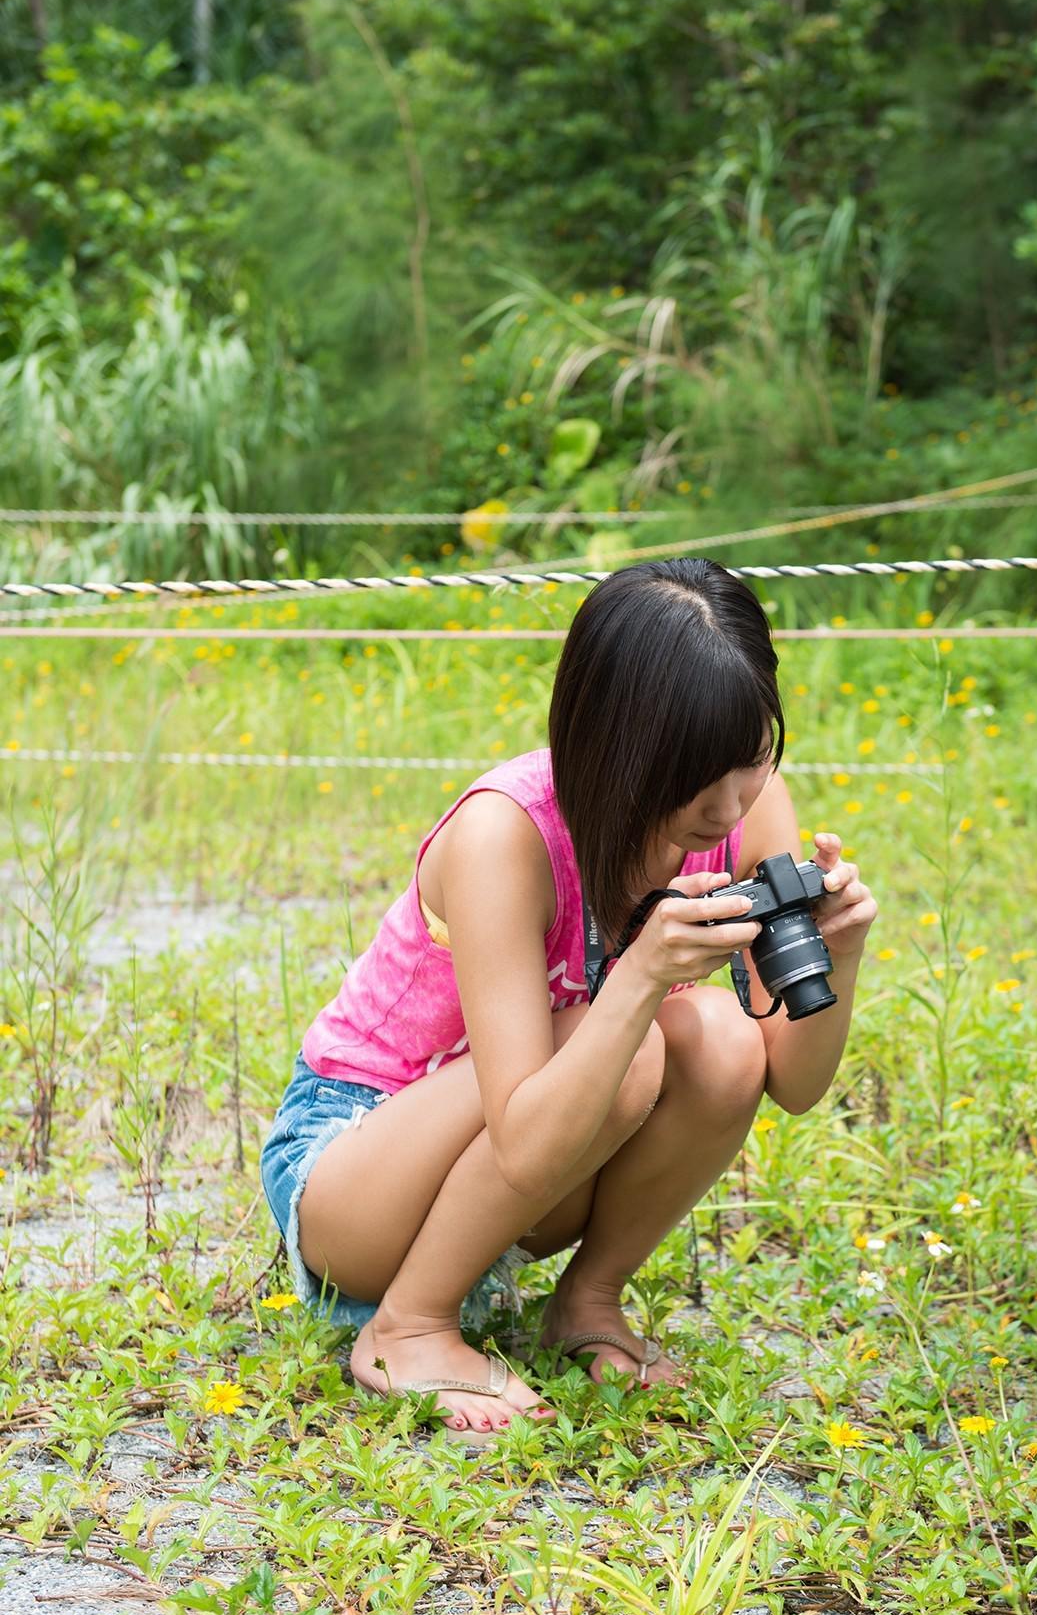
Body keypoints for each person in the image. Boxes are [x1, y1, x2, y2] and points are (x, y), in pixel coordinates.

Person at [259, 556, 878, 1443]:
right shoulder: (504, 834)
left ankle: (586, 1302)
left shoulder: (747, 805)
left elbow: (791, 1081)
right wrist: (638, 980)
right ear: (614, 745)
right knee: (624, 1043)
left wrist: (840, 955)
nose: (730, 802)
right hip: (356, 1166)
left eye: (750, 758)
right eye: (696, 772)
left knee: (723, 1041)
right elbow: (528, 1123)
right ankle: (407, 1327)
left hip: (521, 1172)